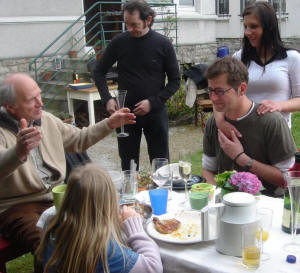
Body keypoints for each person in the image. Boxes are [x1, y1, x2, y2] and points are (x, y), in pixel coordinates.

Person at [0, 73, 135, 256]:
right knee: (49, 245)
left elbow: (79, 139)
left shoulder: (46, 119)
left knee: (98, 223)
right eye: (32, 100)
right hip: (19, 207)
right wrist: (18, 152)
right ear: (10, 107)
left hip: (58, 196)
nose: (40, 103)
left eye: (39, 95)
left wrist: (109, 124)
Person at [93, 0, 180, 170]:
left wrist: (153, 102)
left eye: (134, 24)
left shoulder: (163, 44)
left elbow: (175, 81)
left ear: (148, 20)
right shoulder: (119, 42)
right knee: (128, 166)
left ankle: (161, 196)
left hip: (155, 113)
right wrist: (107, 99)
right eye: (127, 24)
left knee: (161, 165)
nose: (130, 29)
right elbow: (98, 71)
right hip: (125, 115)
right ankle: (130, 196)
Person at [36, 163, 163, 273]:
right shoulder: (108, 250)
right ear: (109, 203)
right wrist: (135, 228)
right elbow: (153, 267)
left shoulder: (52, 227)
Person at [202, 57, 297, 197]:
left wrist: (241, 158)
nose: (213, 98)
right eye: (210, 90)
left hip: (268, 207)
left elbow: (289, 179)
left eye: (220, 91)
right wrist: (217, 197)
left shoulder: (271, 122)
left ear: (242, 89)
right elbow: (208, 170)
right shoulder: (214, 123)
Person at [215, 1, 300, 136]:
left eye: (254, 27)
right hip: (244, 134)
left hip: (277, 135)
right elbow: (219, 93)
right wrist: (221, 123)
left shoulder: (292, 58)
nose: (248, 32)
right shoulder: (239, 58)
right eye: (245, 26)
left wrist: (279, 105)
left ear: (269, 27)